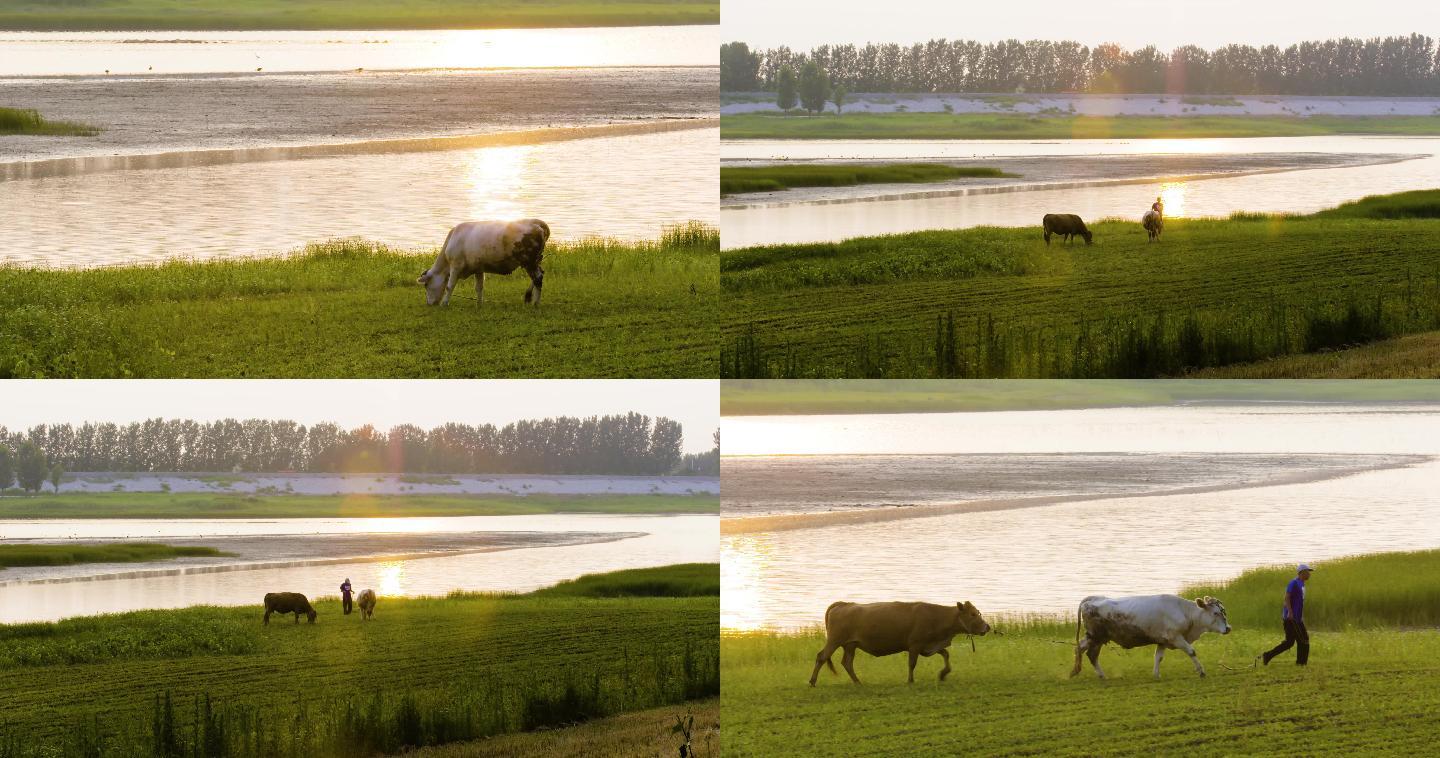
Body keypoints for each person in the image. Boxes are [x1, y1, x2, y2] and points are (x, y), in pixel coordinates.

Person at [1260, 564, 1313, 666]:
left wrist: (1301, 616)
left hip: (1297, 618)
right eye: (1308, 571)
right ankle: (1301, 663)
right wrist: (1290, 612)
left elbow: (1299, 602)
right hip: (1291, 618)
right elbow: (1287, 598)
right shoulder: (1294, 583)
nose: (1309, 574)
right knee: (1304, 639)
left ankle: (1267, 655)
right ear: (1302, 572)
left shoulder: (1302, 584)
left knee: (1290, 642)